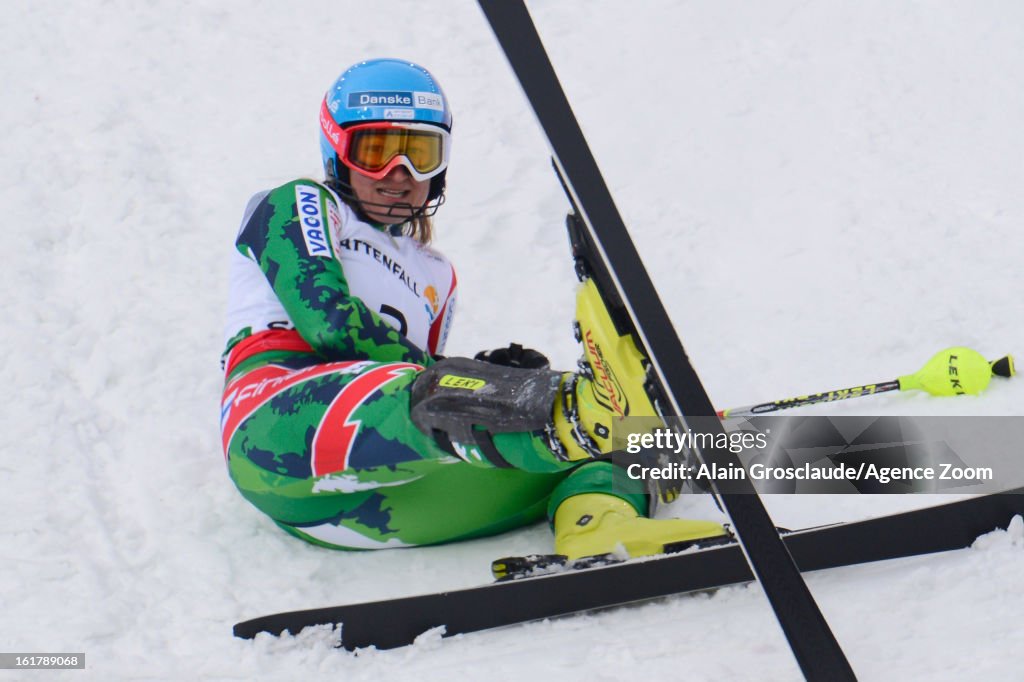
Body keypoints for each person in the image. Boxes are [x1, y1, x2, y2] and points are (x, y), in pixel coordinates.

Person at [220, 58, 725, 561]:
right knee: (460, 393)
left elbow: (419, 384)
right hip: (275, 434)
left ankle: (601, 523)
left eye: (420, 153)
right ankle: (584, 412)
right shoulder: (302, 202)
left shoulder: (436, 273)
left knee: (598, 449)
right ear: (337, 149)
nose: (400, 174)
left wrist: (492, 384)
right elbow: (328, 322)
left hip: (378, 507)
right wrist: (490, 388)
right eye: (375, 152)